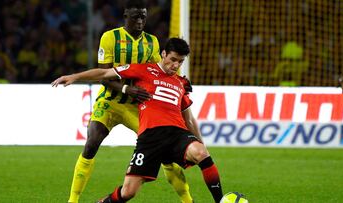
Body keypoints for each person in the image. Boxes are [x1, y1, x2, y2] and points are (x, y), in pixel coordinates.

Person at [52, 37, 224, 203]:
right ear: (163, 54)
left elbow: (190, 119)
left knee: (201, 153)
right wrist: (75, 76)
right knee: (128, 192)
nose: (175, 65)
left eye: (180, 62)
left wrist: (203, 146)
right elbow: (105, 73)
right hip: (150, 137)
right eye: (173, 59)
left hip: (177, 133)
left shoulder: (180, 83)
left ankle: (220, 201)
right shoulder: (143, 70)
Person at [66, 1, 194, 203]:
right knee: (92, 143)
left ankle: (188, 200)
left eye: (143, 16)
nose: (140, 21)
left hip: (137, 106)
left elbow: (158, 72)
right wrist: (126, 88)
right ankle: (73, 200)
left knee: (166, 154)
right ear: (125, 16)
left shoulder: (152, 42)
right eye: (136, 16)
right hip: (110, 101)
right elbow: (104, 75)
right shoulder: (110, 37)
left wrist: (178, 82)